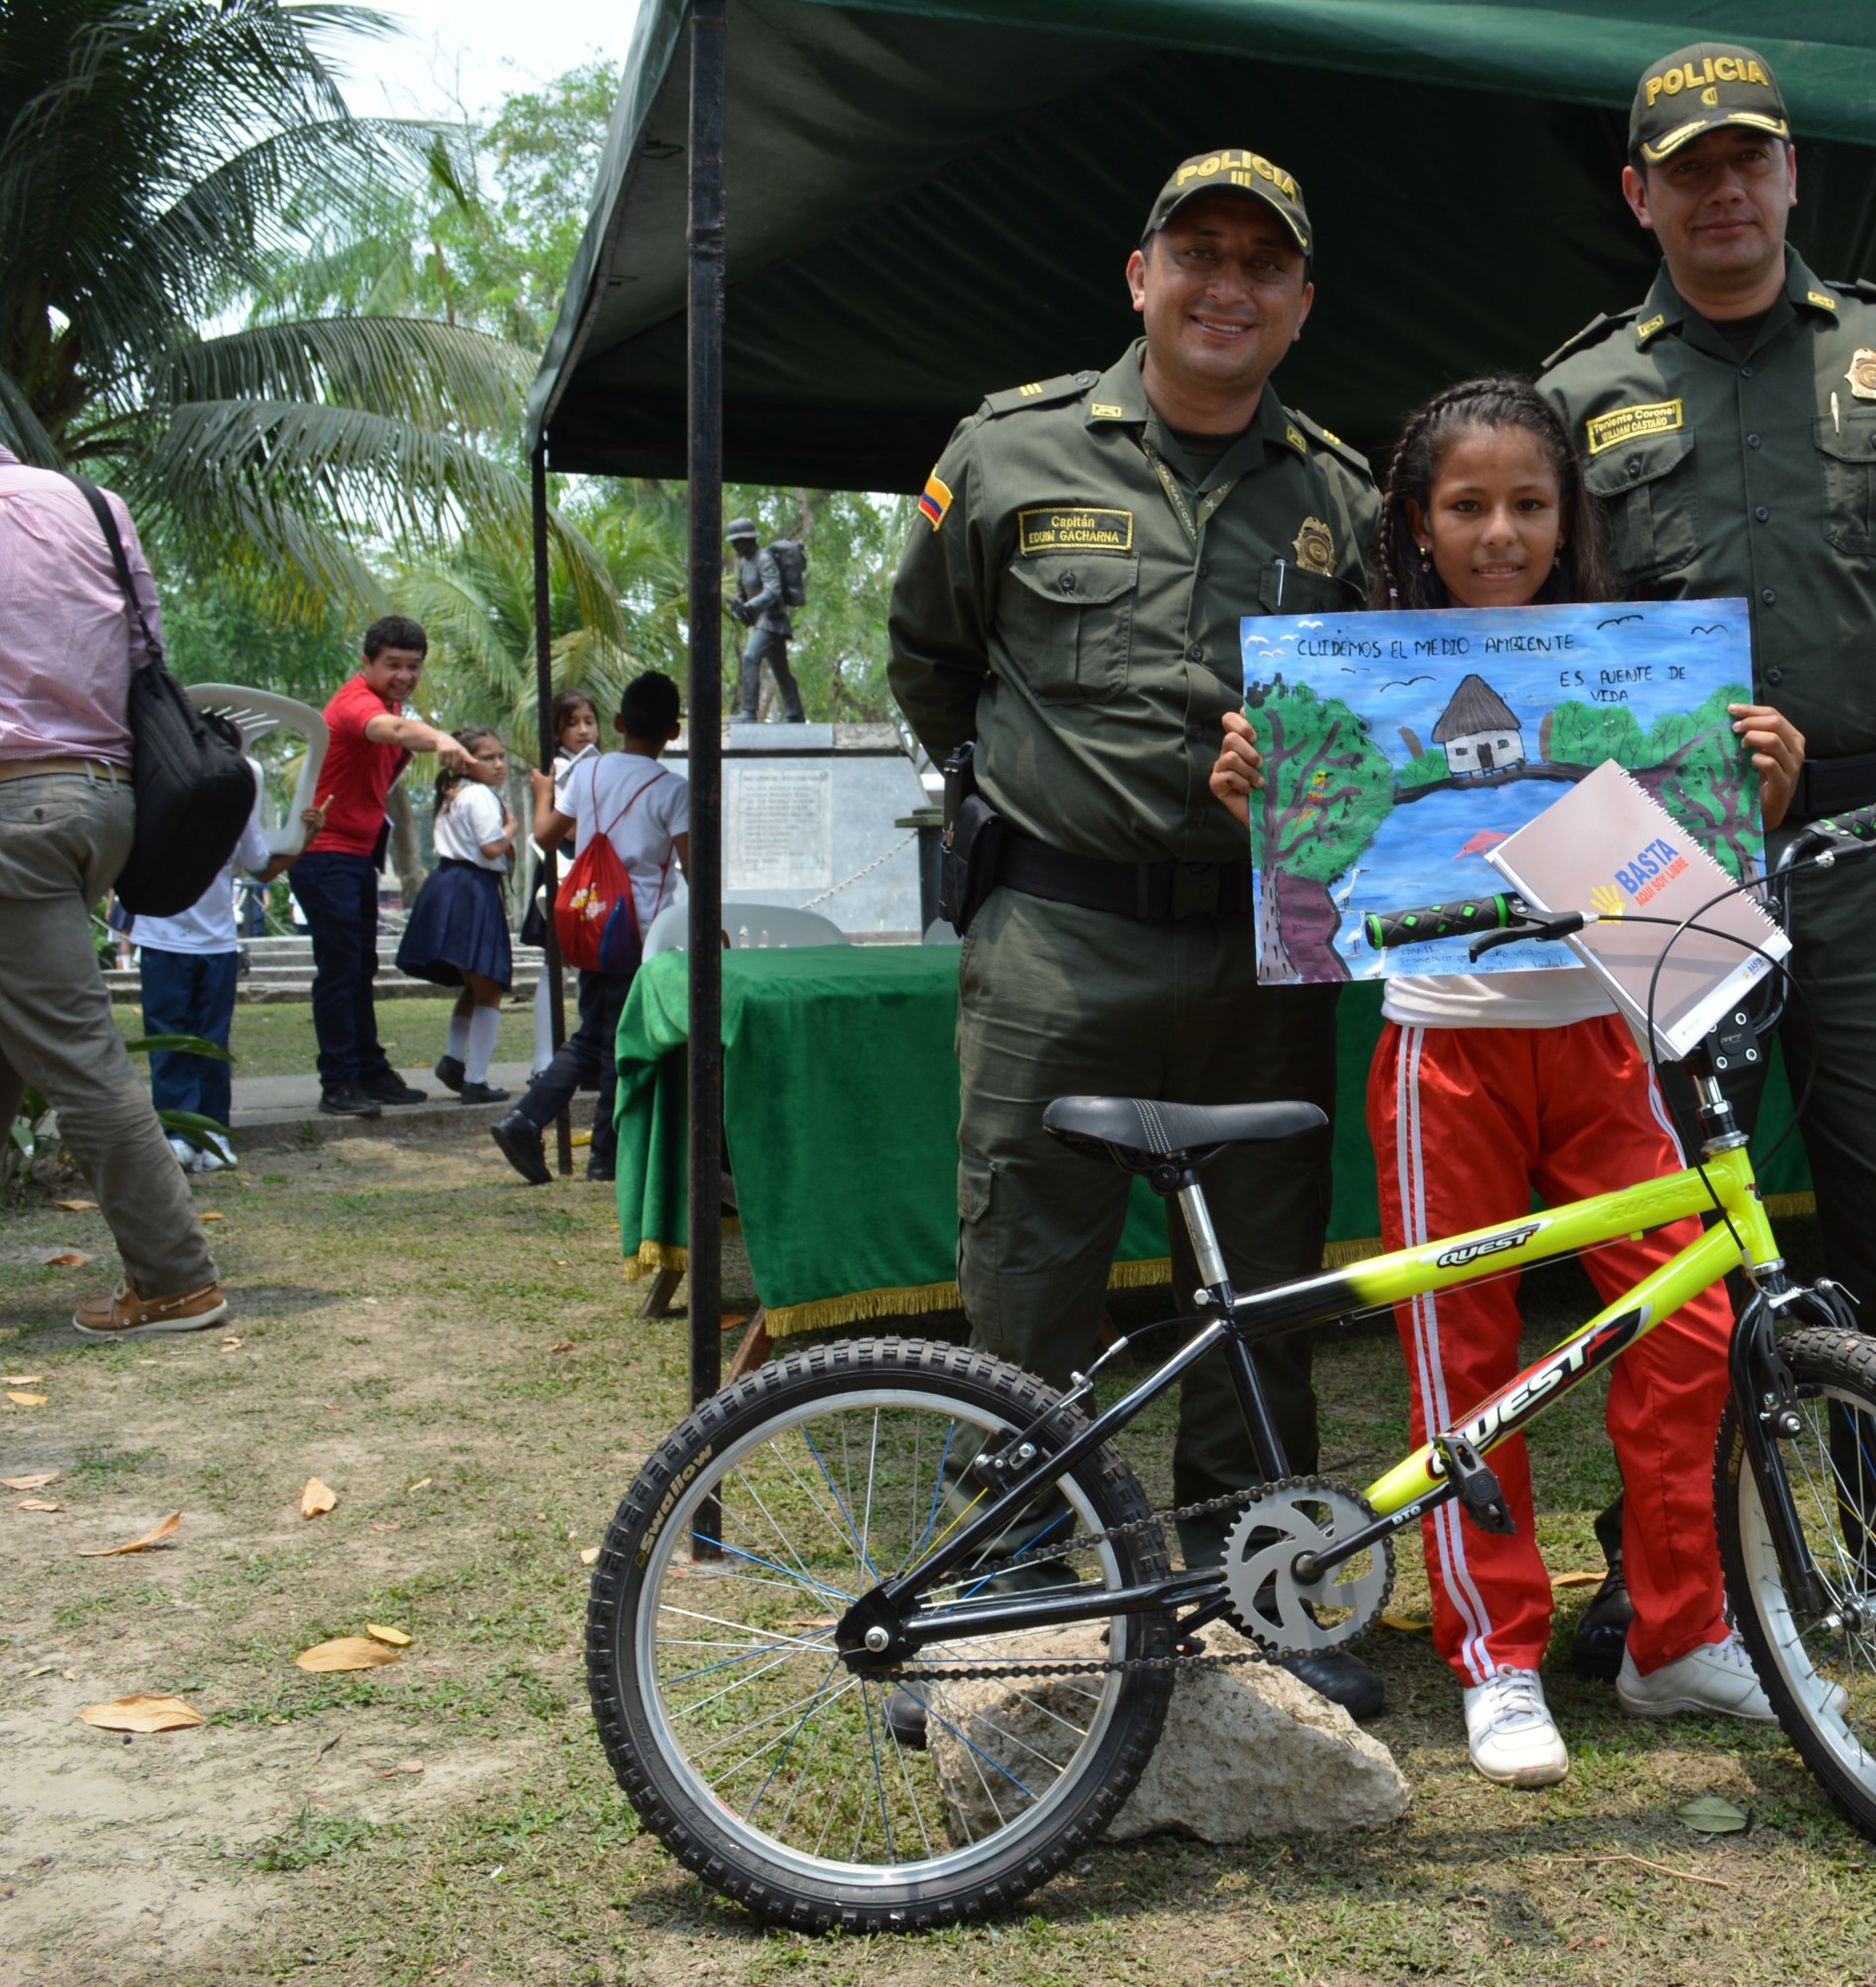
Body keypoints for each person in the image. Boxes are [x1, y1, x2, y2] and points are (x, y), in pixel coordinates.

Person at [1216, 377, 1804, 1783]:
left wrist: (1762, 793)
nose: (1499, 531)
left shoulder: (1636, 663)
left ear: (1567, 518)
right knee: (1460, 1351)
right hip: (1443, 1047)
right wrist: (1265, 795)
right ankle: (1497, 1651)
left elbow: (1685, 871)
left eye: (1528, 505)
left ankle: (1680, 1634)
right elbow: (1316, 857)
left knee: (1692, 1331)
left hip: (1609, 1031)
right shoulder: (1358, 666)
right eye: (1467, 506)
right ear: (1418, 522)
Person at [886, 148, 1385, 1718]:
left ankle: (1258, 1586)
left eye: (1261, 264)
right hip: (1058, 936)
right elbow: (930, 664)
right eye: (1198, 255)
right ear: (1140, 278)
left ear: (1300, 304)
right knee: (1028, 1272)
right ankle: (1017, 1596)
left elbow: (1378, 720)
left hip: (1262, 945)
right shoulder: (1011, 454)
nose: (1224, 285)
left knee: (1263, 1286)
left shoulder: (1342, 497)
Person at [1535, 43, 1876, 1410]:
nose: (1722, 190)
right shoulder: (1579, 395)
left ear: (1791, 175)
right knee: (1666, 1218)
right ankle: (1687, 1573)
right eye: (1687, 171)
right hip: (1649, 853)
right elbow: (1513, 627)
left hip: (1875, 840)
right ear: (1636, 197)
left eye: (1745, 160)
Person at [0, 335, 223, 1338]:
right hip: (106, 804)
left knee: (75, 1052)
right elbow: (144, 644)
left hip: (0, 815)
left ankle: (177, 1275)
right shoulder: (92, 506)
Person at [498, 674, 689, 1185]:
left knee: (595, 1037)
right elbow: (694, 867)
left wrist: (543, 792)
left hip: (590, 920)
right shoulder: (672, 789)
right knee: (613, 1046)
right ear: (673, 731)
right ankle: (592, 1149)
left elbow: (545, 834)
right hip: (639, 931)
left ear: (619, 723)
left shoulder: (589, 773)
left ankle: (543, 1127)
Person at [293, 616, 481, 1119]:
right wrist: (439, 736)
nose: (403, 674)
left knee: (360, 968)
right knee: (339, 971)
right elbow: (389, 730)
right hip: (322, 853)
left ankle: (369, 1069)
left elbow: (395, 725)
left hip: (354, 855)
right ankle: (338, 1081)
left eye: (413, 666)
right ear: (367, 663)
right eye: (392, 665)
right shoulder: (358, 703)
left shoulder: (392, 703)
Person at [131, 770, 315, 1171]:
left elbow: (260, 867)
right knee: (169, 1040)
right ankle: (178, 1134)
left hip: (216, 941)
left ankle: (213, 1132)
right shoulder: (153, 792)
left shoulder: (236, 803)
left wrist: (305, 839)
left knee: (212, 1041)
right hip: (163, 937)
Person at [397, 725, 517, 1105]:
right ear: (465, 763)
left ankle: (453, 1060)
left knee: (475, 982)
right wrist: (512, 826)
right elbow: (492, 847)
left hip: (450, 883)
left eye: (501, 756)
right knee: (490, 986)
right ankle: (477, 1080)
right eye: (487, 758)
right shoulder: (480, 795)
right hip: (472, 889)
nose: (498, 764)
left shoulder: (455, 794)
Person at [528, 688, 600, 1081]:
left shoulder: (597, 766)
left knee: (583, 967)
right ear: (557, 730)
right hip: (562, 871)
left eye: (589, 721)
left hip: (590, 873)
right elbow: (565, 827)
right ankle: (544, 1060)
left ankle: (573, 1058)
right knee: (551, 966)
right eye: (573, 723)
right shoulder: (558, 770)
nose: (583, 730)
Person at [728, 519, 806, 723]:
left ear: (749, 539)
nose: (735, 546)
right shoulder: (744, 564)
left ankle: (749, 711)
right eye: (733, 542)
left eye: (738, 541)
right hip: (761, 621)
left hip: (772, 620)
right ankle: (795, 712)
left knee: (749, 658)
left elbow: (773, 590)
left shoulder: (764, 559)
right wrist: (739, 607)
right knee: (781, 670)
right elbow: (741, 592)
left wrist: (750, 606)